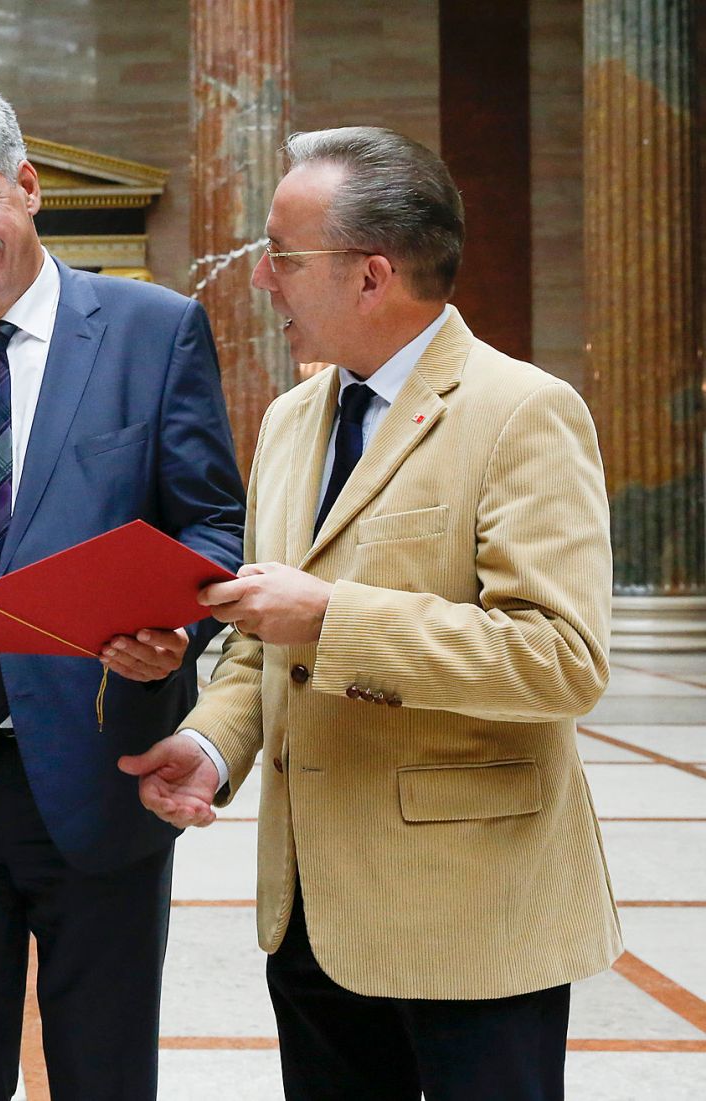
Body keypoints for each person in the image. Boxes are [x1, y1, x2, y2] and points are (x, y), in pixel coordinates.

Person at [120, 126, 619, 1101]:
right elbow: (263, 645)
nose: (259, 279)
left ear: (370, 275)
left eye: (281, 257)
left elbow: (560, 658)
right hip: (312, 916)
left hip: (474, 917)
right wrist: (210, 747)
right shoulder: (289, 420)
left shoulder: (521, 412)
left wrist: (334, 617)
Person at [0, 81, 246, 1097]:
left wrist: (174, 629)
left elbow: (209, 525)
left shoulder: (157, 331)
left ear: (26, 187)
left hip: (104, 767)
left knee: (104, 1074)